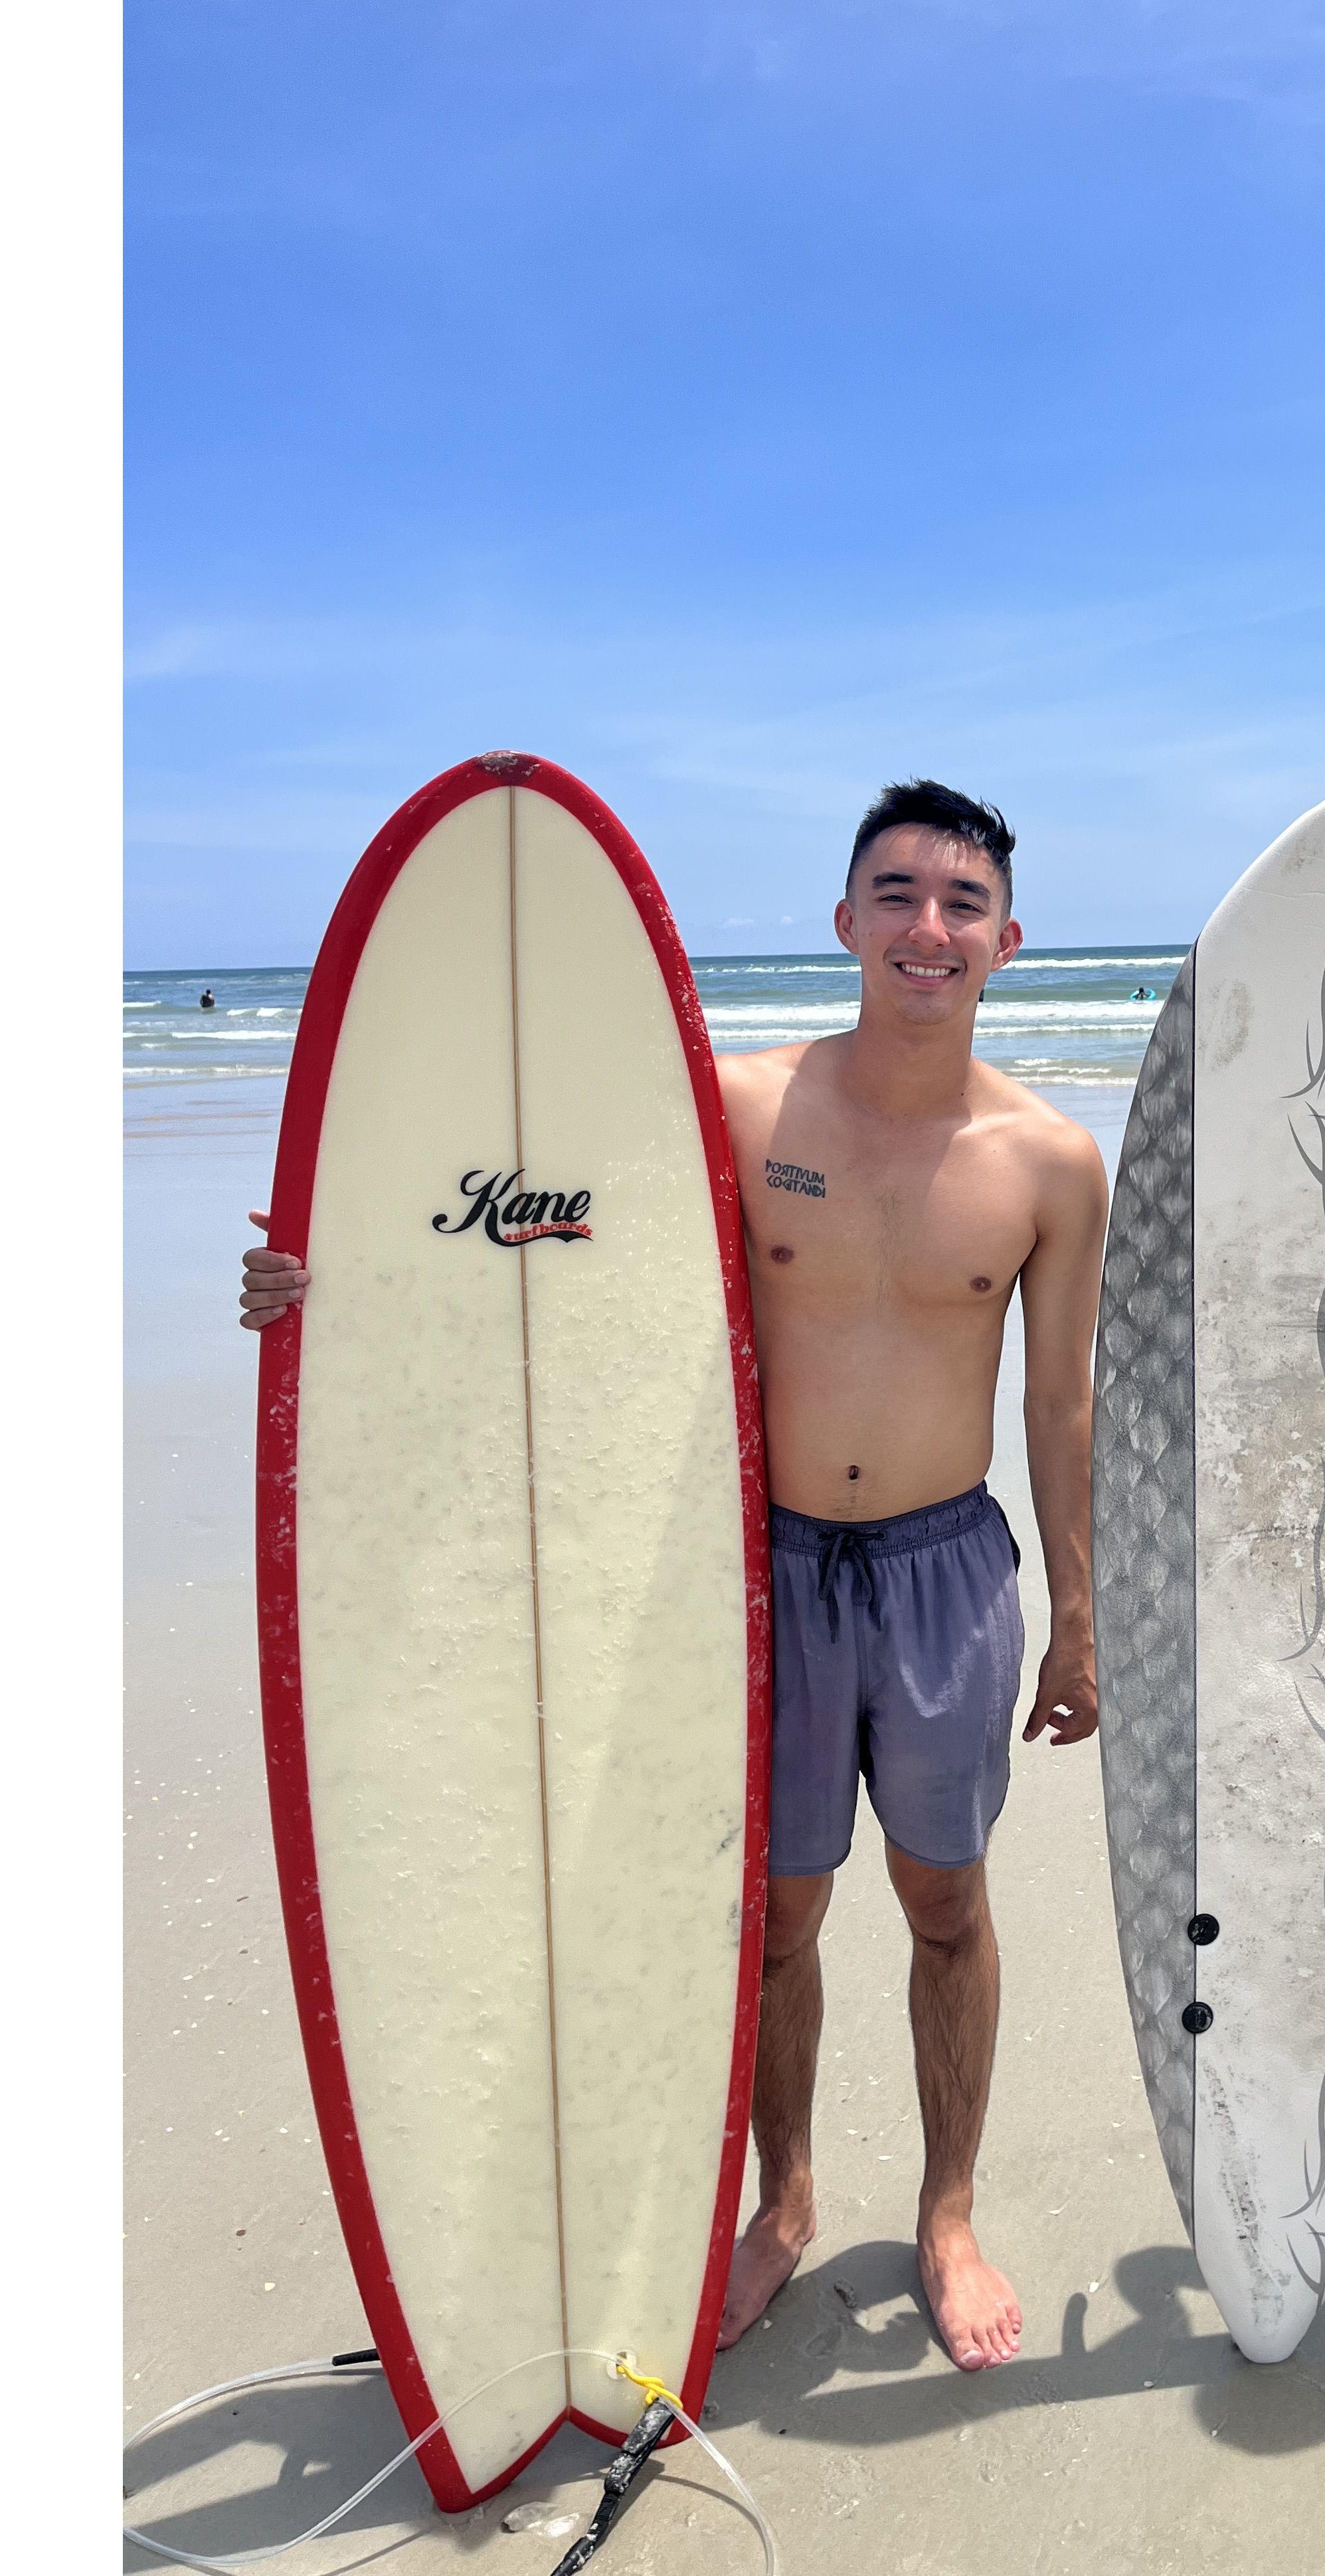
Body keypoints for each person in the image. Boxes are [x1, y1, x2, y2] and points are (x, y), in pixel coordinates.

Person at [238, 780, 1108, 2374]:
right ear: (843, 921)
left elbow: (1061, 1405)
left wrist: (1080, 1617)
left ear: (1008, 941)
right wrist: (330, 1266)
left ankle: (949, 2209)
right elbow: (525, 1233)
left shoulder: (1051, 1162)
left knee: (945, 1902)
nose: (928, 926)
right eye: (897, 894)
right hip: (753, 1567)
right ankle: (785, 2201)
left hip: (944, 1572)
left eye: (962, 902)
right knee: (773, 1917)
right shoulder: (737, 1106)